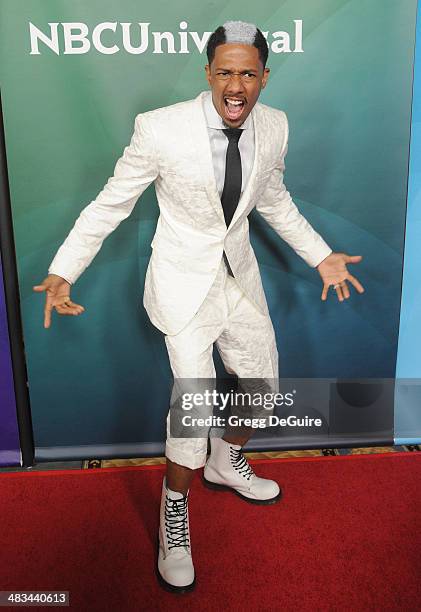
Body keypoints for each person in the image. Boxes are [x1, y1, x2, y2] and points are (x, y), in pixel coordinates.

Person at [33, 20, 364, 593]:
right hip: (184, 282)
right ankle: (174, 512)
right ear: (208, 73)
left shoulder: (275, 126)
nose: (236, 86)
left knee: (262, 388)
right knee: (195, 405)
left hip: (240, 278)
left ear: (265, 75)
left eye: (248, 73)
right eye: (225, 72)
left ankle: (223, 461)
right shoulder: (160, 130)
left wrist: (319, 256)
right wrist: (64, 270)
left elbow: (274, 198)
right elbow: (109, 205)